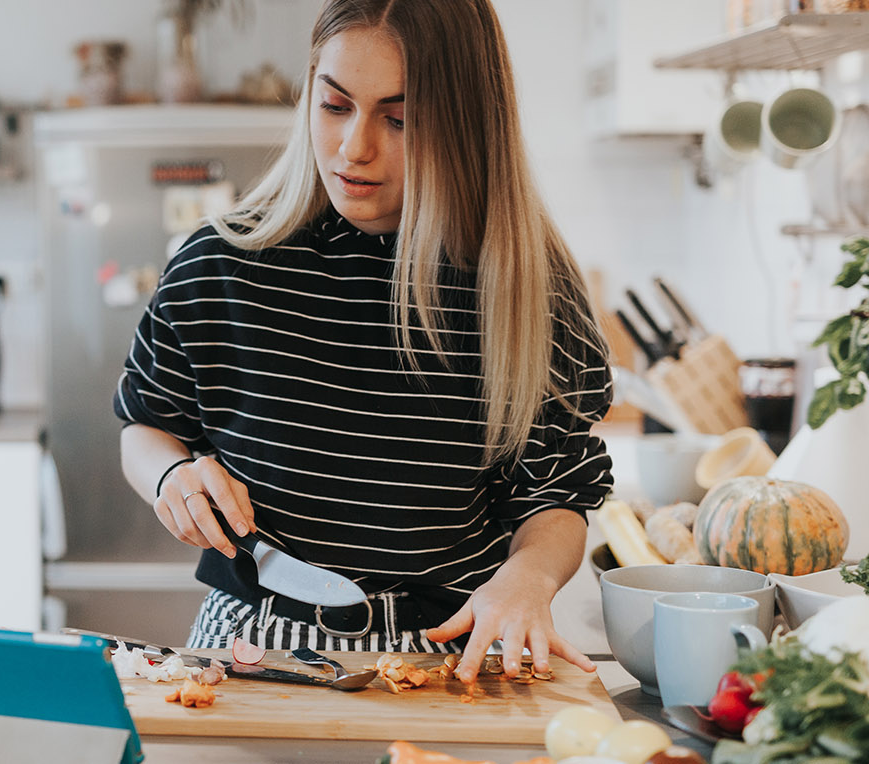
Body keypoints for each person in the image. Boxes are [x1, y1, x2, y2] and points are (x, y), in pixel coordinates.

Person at [112, 0, 613, 684]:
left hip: (450, 650)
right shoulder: (219, 264)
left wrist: (528, 578)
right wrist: (171, 476)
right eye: (335, 105)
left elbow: (556, 490)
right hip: (253, 645)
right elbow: (147, 427)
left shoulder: (529, 289)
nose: (355, 147)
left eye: (400, 119)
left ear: (468, 124)